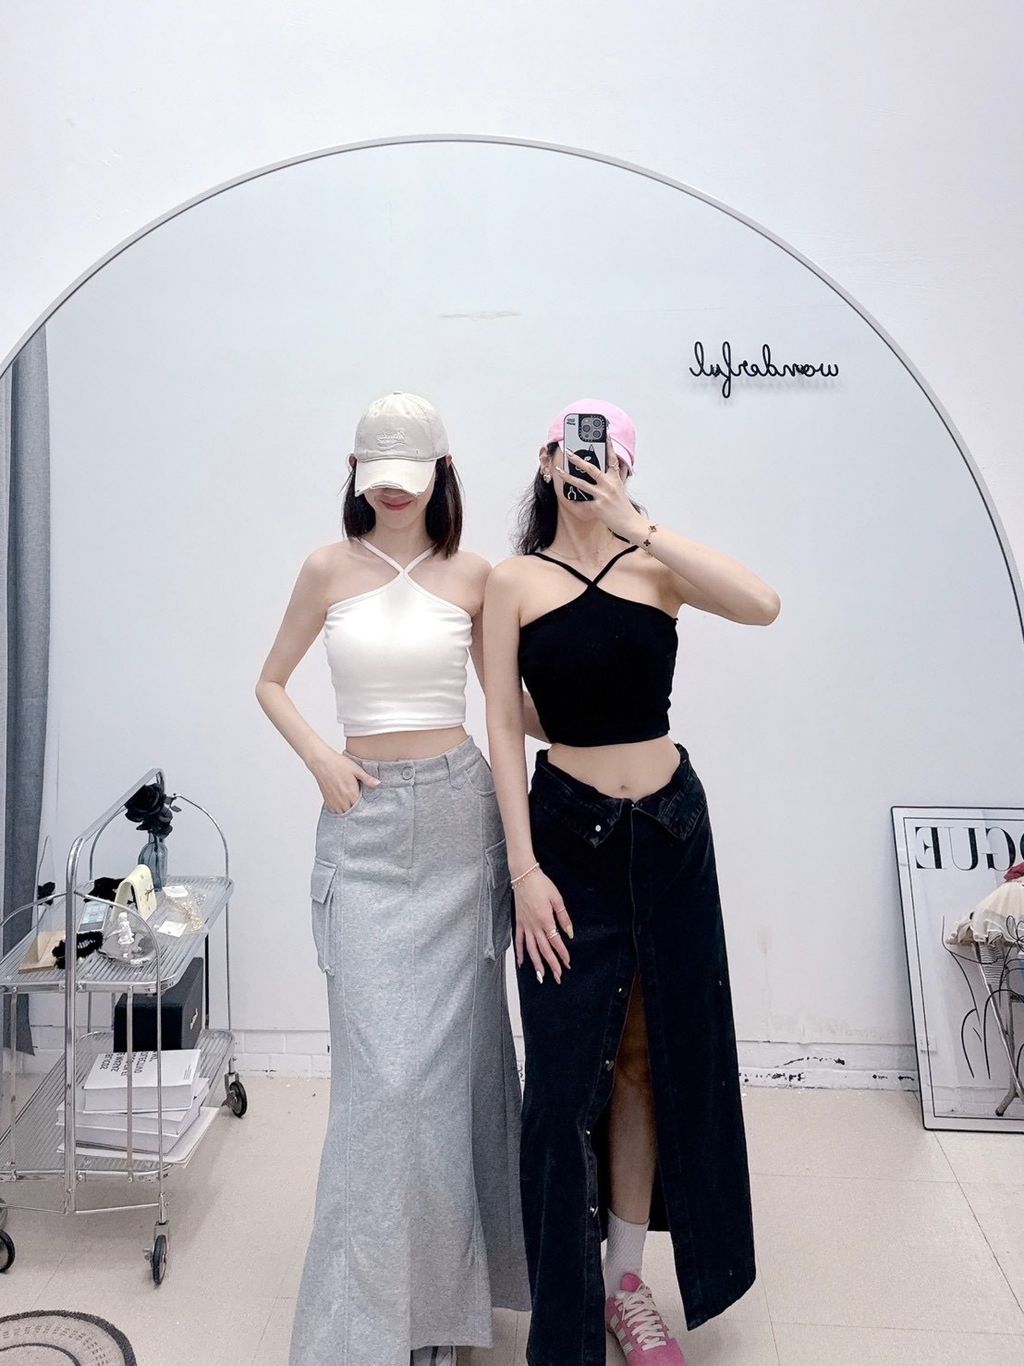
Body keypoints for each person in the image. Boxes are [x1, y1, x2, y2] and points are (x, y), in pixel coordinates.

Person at [482, 400, 780, 1366]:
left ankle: (624, 1284)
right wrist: (524, 868)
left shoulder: (657, 565)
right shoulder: (513, 581)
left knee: (653, 1062)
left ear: (625, 469)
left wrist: (639, 526)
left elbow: (762, 604)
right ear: (546, 460)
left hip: (670, 834)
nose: (585, 468)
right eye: (571, 452)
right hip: (567, 842)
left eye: (605, 457)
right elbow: (503, 726)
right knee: (563, 1086)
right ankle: (565, 1323)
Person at [255, 392, 531, 1366]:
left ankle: (441, 1320)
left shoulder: (475, 575)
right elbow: (269, 681)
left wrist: (604, 721)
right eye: (376, 478)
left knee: (448, 1083)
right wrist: (320, 759)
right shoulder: (327, 569)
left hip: (459, 825)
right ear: (354, 472)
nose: (392, 494)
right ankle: (364, 1326)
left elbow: (506, 715)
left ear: (441, 474)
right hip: (362, 829)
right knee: (385, 1088)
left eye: (409, 480)